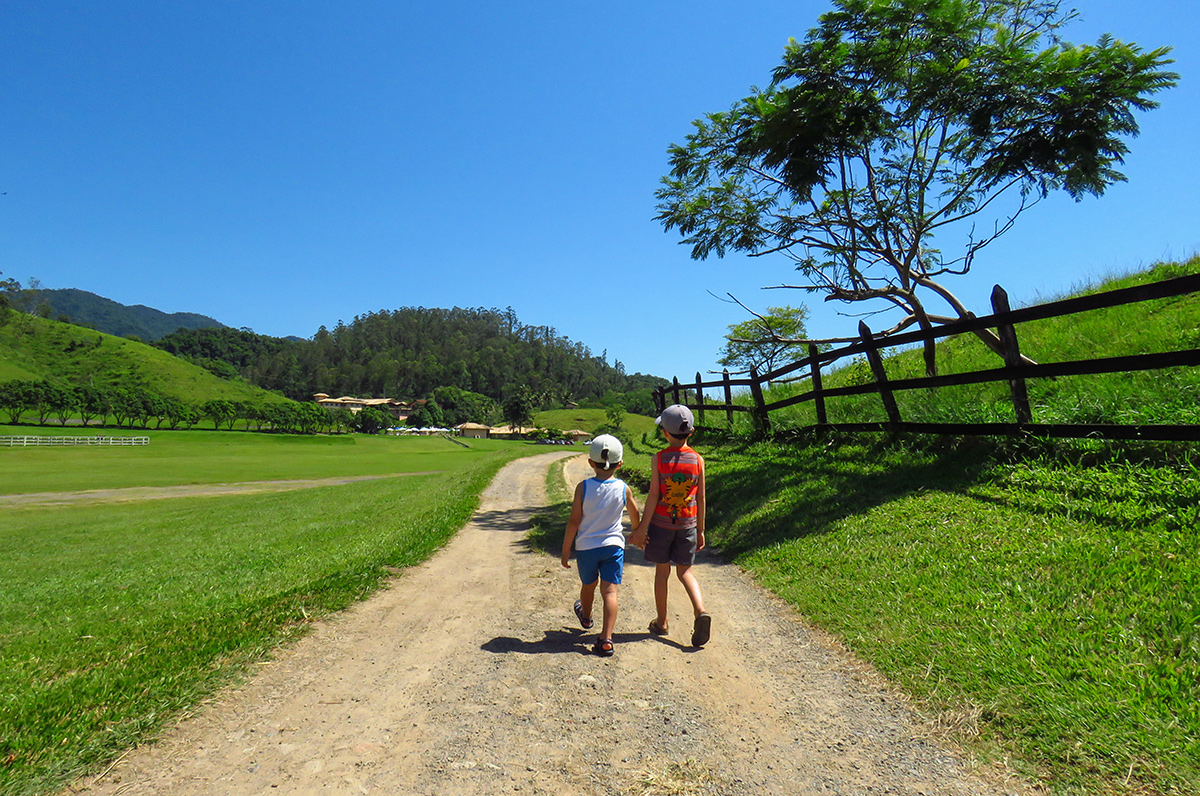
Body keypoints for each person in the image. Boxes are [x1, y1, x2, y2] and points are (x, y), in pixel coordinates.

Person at [629, 404, 711, 647]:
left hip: (662, 525)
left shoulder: (659, 459)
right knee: (685, 571)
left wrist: (642, 528)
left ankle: (662, 622)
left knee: (662, 572)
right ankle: (700, 611)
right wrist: (700, 529)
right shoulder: (698, 460)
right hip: (688, 524)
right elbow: (701, 498)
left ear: (664, 432)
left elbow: (653, 495)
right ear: (691, 431)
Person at [561, 434, 641, 657]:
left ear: (590, 462)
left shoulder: (583, 487)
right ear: (620, 463)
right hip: (614, 546)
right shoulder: (624, 488)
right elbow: (635, 513)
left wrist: (566, 549)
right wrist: (637, 533)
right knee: (610, 591)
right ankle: (606, 639)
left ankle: (586, 617)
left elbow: (574, 521)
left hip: (586, 547)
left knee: (589, 585)